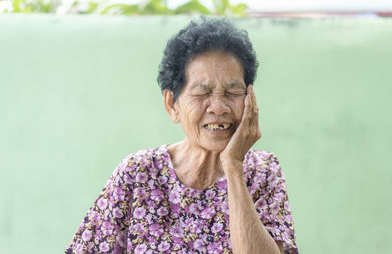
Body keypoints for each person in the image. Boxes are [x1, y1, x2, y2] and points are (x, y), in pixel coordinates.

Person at [65, 18, 299, 254]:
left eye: (232, 92)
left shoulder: (264, 172)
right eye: (203, 92)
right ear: (172, 104)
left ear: (250, 100)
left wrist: (233, 166)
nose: (218, 107)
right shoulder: (138, 173)